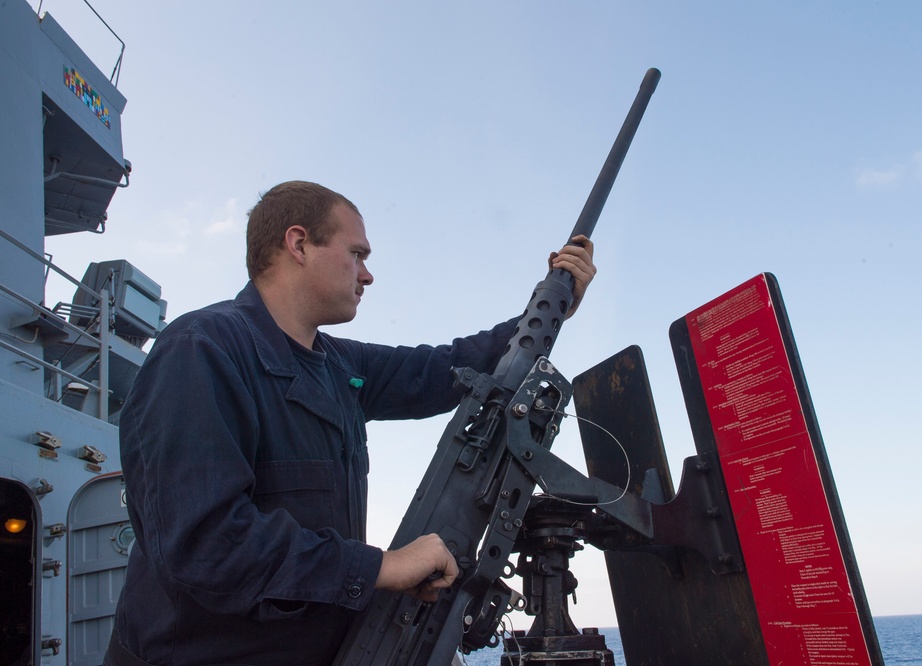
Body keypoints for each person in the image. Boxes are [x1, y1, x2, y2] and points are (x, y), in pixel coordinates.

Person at [104, 180, 596, 666]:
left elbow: (446, 369)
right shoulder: (202, 349)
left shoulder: (338, 363)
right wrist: (384, 566)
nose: (367, 275)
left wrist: (549, 308)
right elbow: (206, 544)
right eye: (357, 254)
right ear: (298, 244)